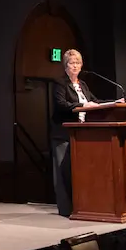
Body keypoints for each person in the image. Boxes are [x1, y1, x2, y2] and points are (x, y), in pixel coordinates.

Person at [50, 49, 101, 217]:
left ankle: (82, 206)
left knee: (80, 171)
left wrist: (115, 102)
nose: (75, 66)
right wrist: (82, 106)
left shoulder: (83, 85)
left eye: (78, 63)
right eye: (72, 63)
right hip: (63, 133)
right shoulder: (60, 83)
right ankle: (66, 209)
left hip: (82, 134)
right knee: (63, 171)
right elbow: (61, 104)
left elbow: (95, 102)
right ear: (65, 65)